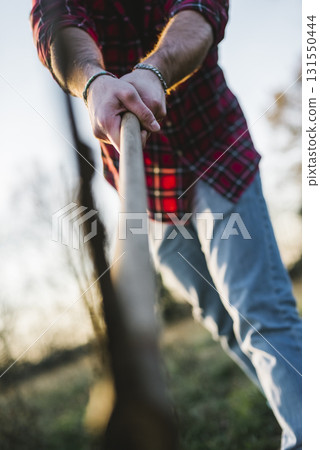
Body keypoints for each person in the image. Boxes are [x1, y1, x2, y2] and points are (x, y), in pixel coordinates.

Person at [30, 1, 302, 448]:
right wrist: (94, 81)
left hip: (216, 153)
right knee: (221, 320)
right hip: (148, 190)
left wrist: (153, 71)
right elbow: (54, 22)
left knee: (258, 312)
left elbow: (203, 9)